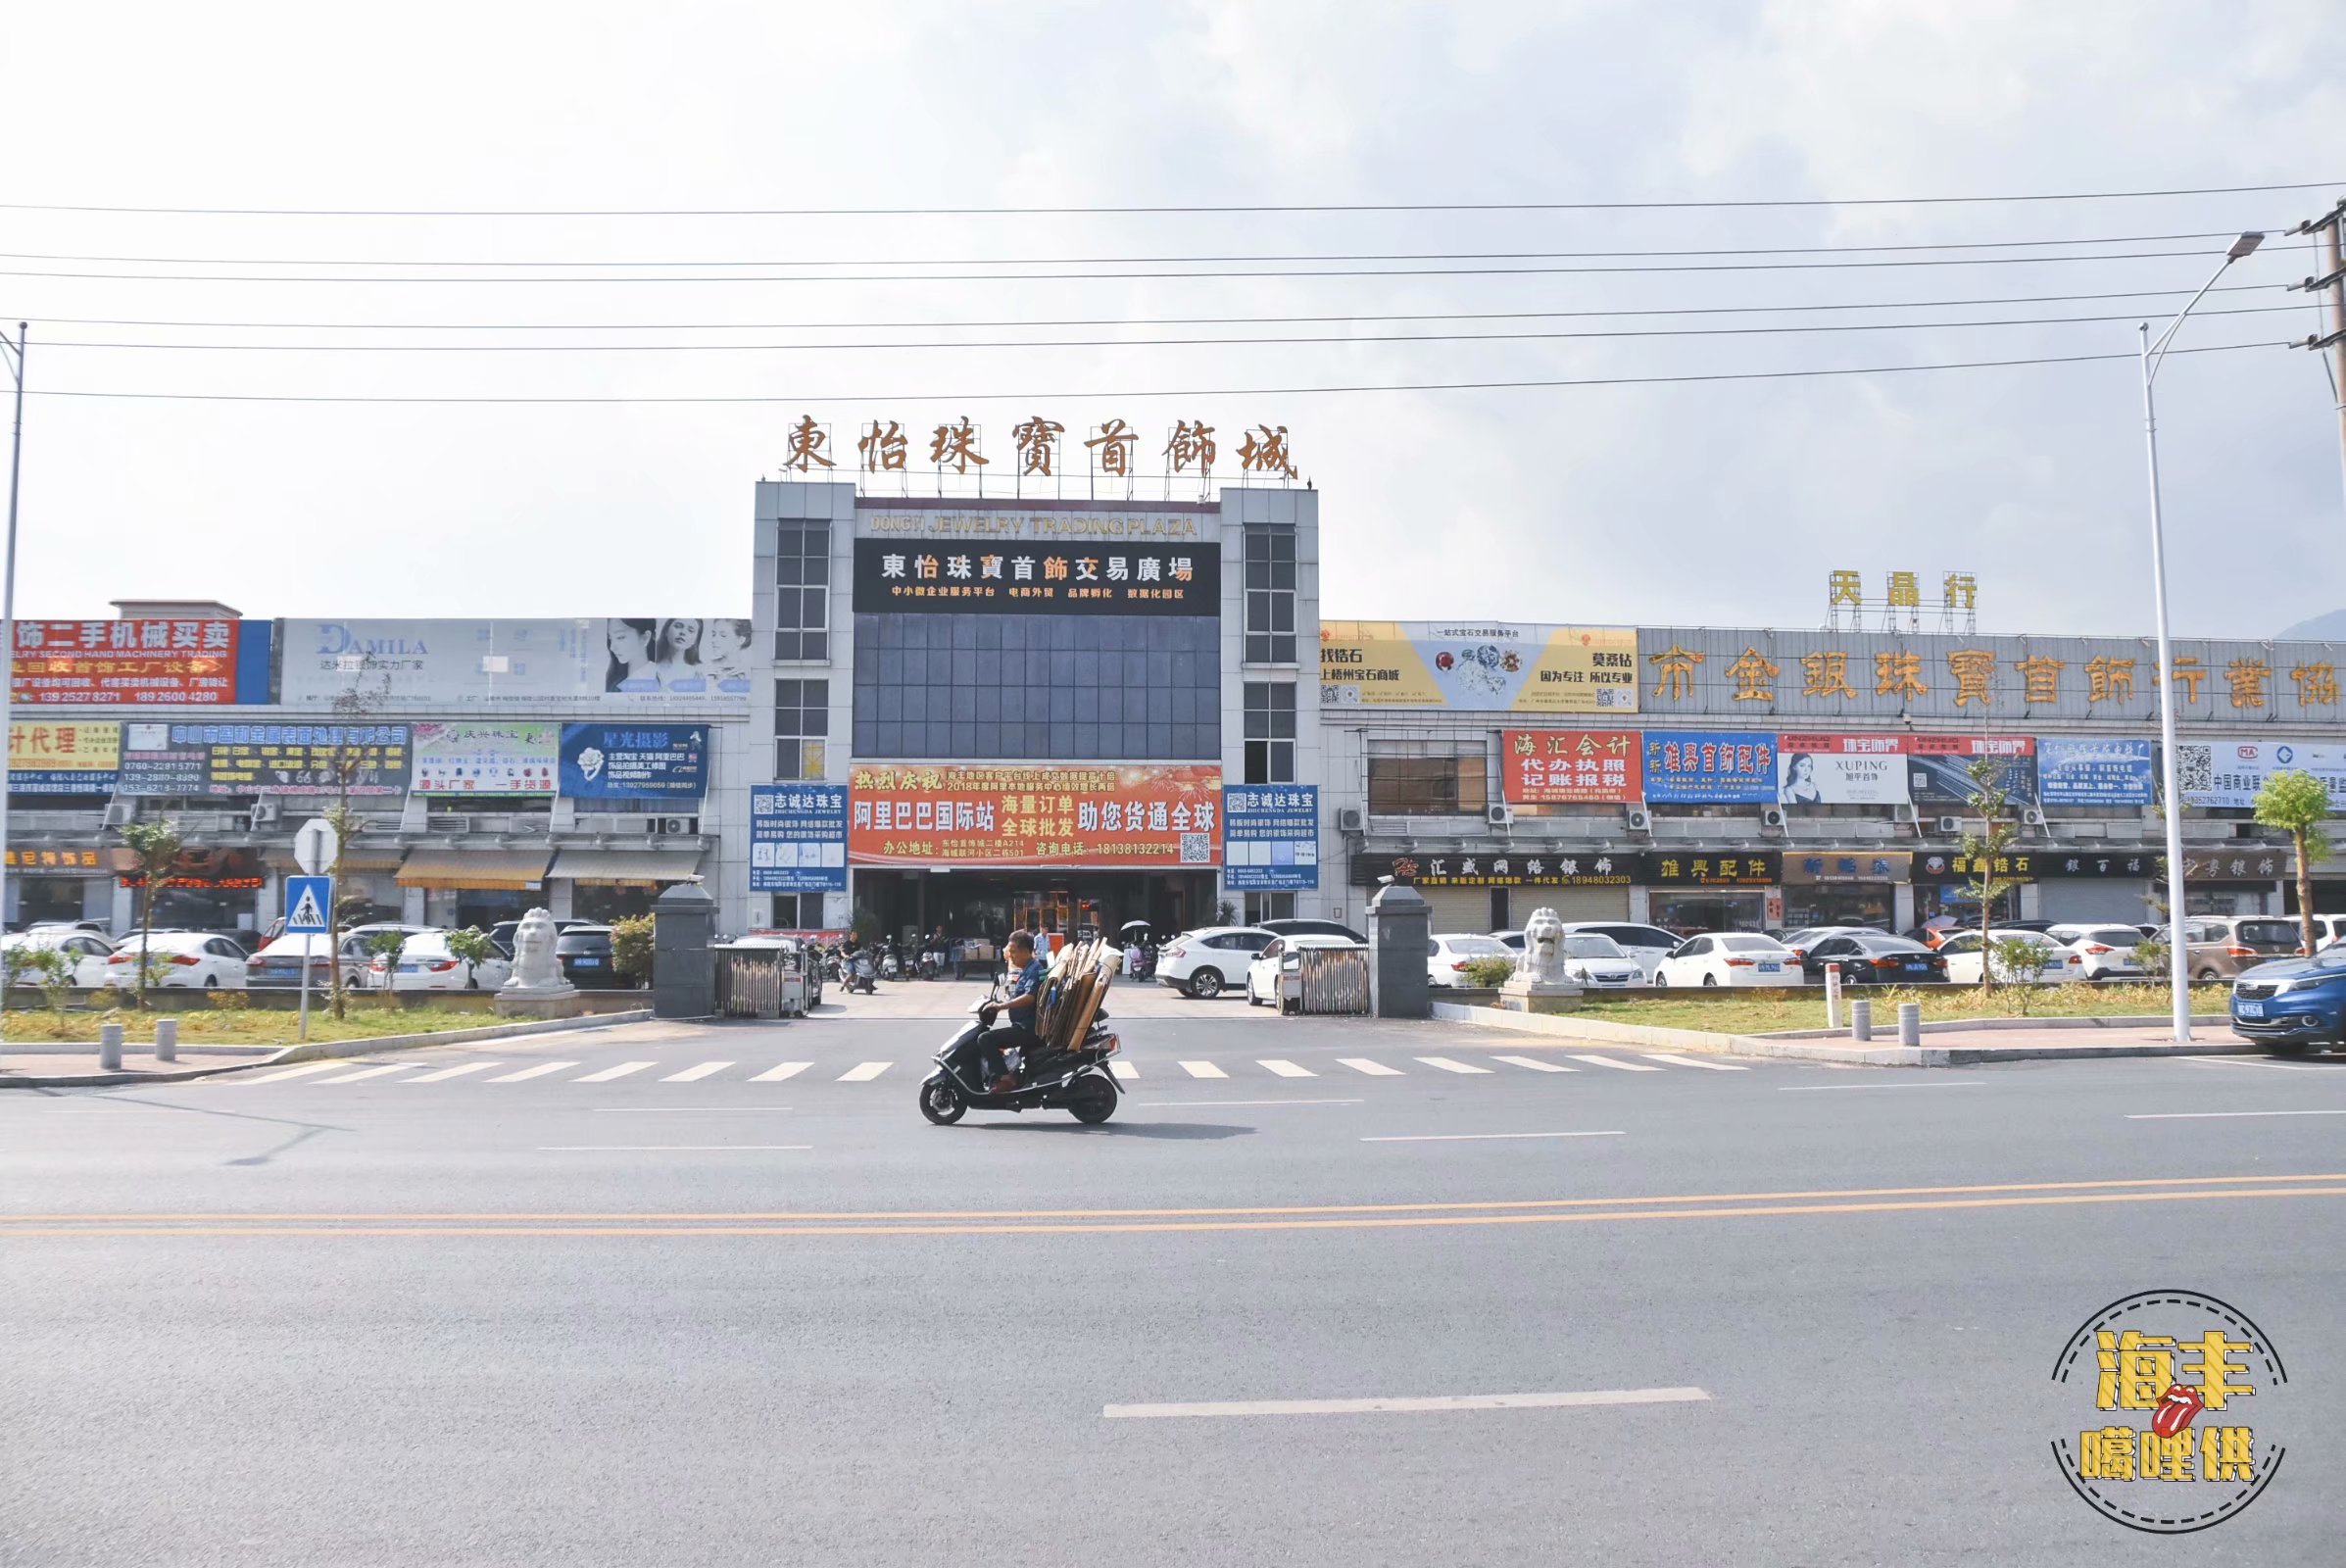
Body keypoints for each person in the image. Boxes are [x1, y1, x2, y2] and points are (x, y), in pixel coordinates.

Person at [967, 930, 1047, 1093]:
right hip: (1022, 1025)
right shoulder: (1026, 968)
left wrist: (1002, 1006)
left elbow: (1030, 997)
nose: (1010, 956)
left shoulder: (1035, 970)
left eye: (1013, 952)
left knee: (985, 1039)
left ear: (1025, 951)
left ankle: (1005, 1079)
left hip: (1028, 1029)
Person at [605, 618, 660, 690]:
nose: (612, 647)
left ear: (645, 638)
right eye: (610, 638)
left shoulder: (657, 678)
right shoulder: (616, 682)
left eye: (620, 637)